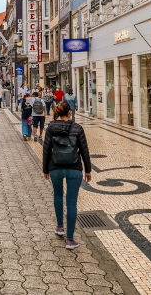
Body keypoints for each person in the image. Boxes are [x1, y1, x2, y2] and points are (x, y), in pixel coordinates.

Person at [43, 100, 91, 249]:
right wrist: (88, 170)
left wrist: (45, 169)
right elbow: (84, 151)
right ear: (69, 113)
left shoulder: (51, 127)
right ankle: (70, 240)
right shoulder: (77, 128)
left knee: (57, 195)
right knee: (71, 202)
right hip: (74, 168)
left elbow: (46, 150)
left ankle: (59, 227)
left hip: (55, 167)